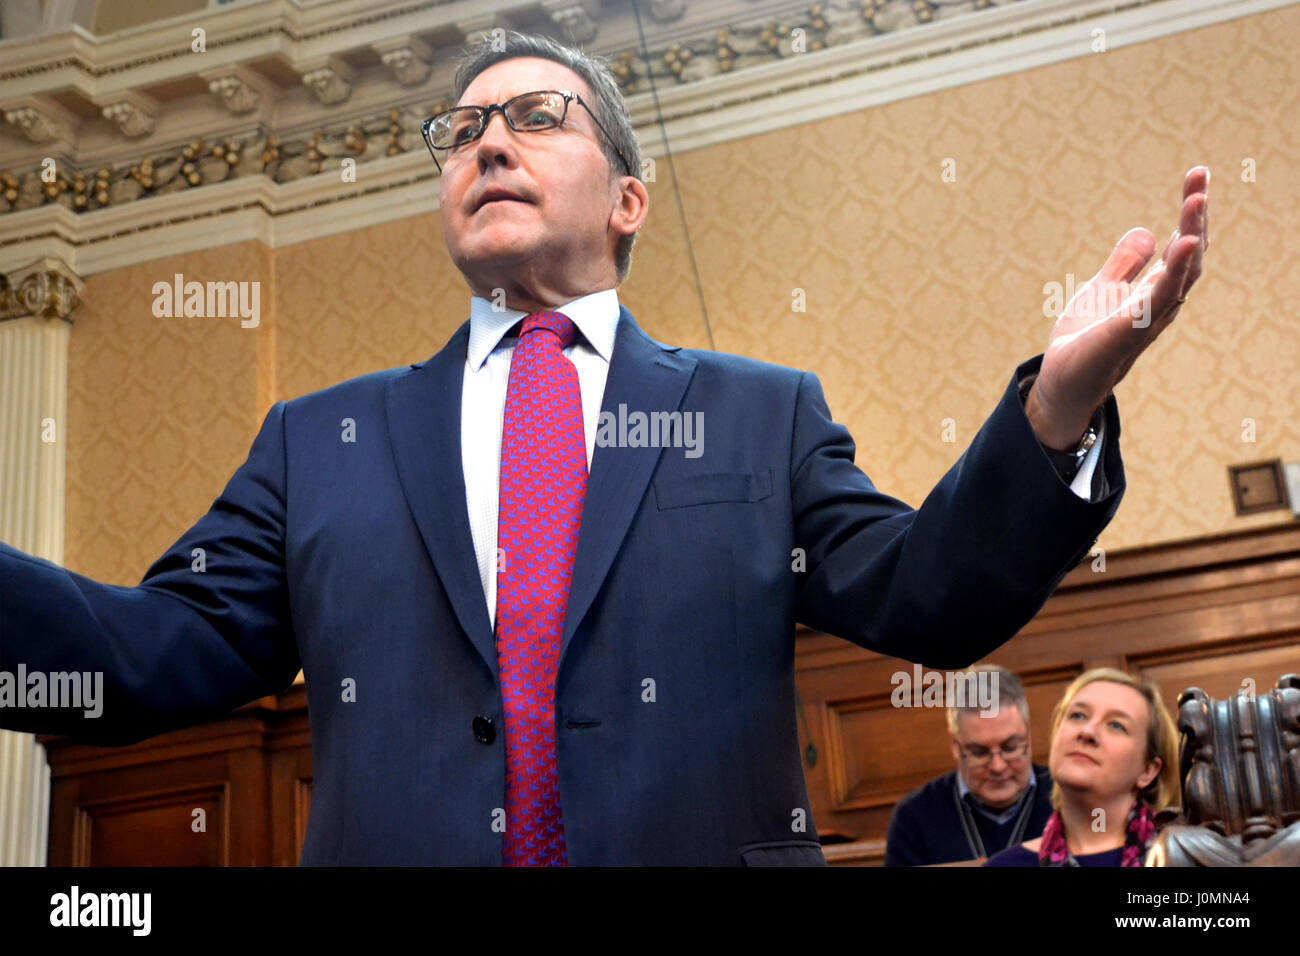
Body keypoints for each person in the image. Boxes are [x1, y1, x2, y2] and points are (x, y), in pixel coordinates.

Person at [0, 31, 1208, 865]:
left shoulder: (758, 413)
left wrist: (1054, 411)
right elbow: (144, 654)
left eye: (534, 118)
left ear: (628, 201)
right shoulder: (320, 439)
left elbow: (929, 597)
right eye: (461, 127)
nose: (485, 142)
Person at [983, 668, 1179, 866]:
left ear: (1148, 770)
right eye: (1078, 716)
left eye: (1116, 725)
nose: (1087, 732)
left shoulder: (1186, 856)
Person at [886, 666, 1053, 865]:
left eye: (1010, 747)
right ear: (955, 746)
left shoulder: (1071, 799)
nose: (998, 766)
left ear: (1029, 738)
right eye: (979, 752)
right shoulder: (913, 818)